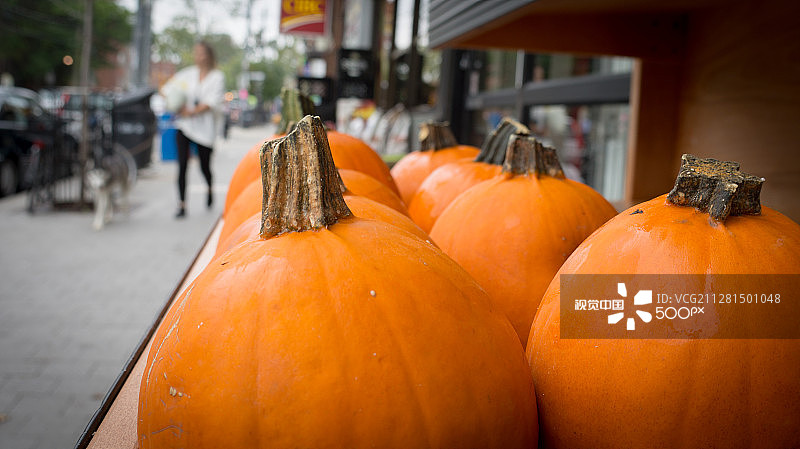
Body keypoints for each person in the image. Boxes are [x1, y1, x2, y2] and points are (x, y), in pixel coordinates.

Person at [162, 41, 225, 218]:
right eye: (196, 53)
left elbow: (212, 102)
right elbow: (167, 89)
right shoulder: (187, 74)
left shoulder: (217, 77)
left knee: (205, 167)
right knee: (182, 165)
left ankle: (210, 188)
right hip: (184, 126)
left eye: (202, 53)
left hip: (205, 130)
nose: (199, 57)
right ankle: (182, 204)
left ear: (209, 55)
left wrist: (192, 111)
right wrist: (176, 106)